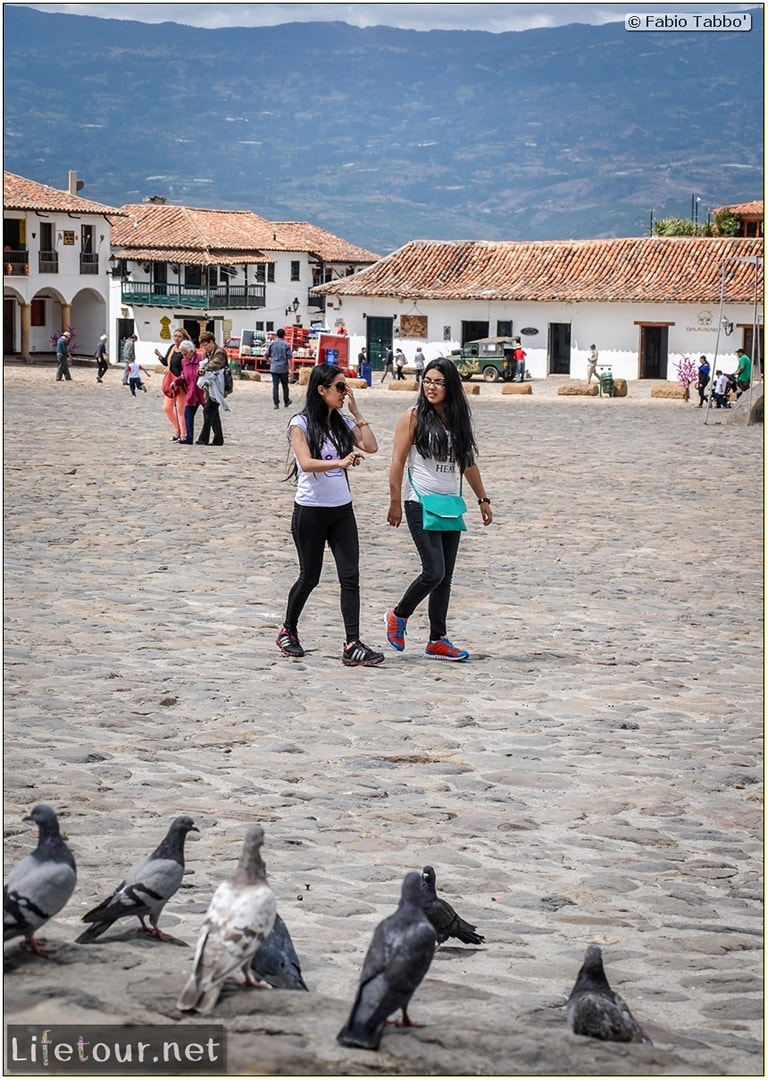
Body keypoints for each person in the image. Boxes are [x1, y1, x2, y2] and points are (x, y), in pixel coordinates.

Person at [276, 364, 384, 668]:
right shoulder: (301, 423)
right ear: (321, 390)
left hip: (341, 512)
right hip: (310, 512)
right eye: (339, 387)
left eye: (345, 386)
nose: (344, 391)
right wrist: (342, 461)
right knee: (309, 577)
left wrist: (357, 410)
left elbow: (372, 446)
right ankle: (288, 630)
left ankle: (352, 643)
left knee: (350, 577)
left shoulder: (343, 422)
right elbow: (306, 463)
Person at [385, 357, 493, 661]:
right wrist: (395, 501)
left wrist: (483, 499)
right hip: (419, 502)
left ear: (451, 386)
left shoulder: (457, 420)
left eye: (439, 382)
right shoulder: (413, 416)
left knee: (445, 577)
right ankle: (398, 615)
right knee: (434, 570)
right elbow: (396, 461)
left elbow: (467, 463)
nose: (431, 387)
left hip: (449, 505)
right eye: (427, 380)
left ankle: (437, 639)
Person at [156, 328, 191, 441]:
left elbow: (186, 368)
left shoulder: (185, 351)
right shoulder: (172, 348)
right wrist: (160, 356)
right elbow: (167, 362)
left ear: (184, 338)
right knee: (167, 408)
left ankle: (183, 435)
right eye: (175, 336)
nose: (177, 338)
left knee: (180, 411)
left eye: (179, 336)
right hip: (170, 380)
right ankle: (177, 428)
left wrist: (178, 380)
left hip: (181, 384)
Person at [196, 331, 229, 445]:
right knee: (214, 414)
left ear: (211, 342)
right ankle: (218, 439)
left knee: (208, 410)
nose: (205, 348)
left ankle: (203, 438)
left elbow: (216, 364)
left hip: (219, 386)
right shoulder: (206, 354)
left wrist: (205, 369)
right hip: (210, 386)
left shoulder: (219, 352)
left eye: (206, 345)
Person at [178, 340, 204, 444]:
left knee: (210, 415)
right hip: (191, 393)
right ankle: (189, 437)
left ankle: (216, 437)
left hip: (203, 392)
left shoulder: (201, 358)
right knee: (188, 414)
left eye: (186, 354)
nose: (184, 356)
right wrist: (176, 382)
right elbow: (184, 375)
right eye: (183, 354)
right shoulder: (184, 362)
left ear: (192, 351)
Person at [266, 327, 293, 410]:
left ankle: (276, 403)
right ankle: (286, 401)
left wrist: (270, 361)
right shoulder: (286, 345)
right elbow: (289, 358)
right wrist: (290, 369)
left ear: (277, 335)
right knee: (285, 386)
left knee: (275, 386)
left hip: (274, 368)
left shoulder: (272, 344)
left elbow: (266, 355)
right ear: (284, 335)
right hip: (283, 368)